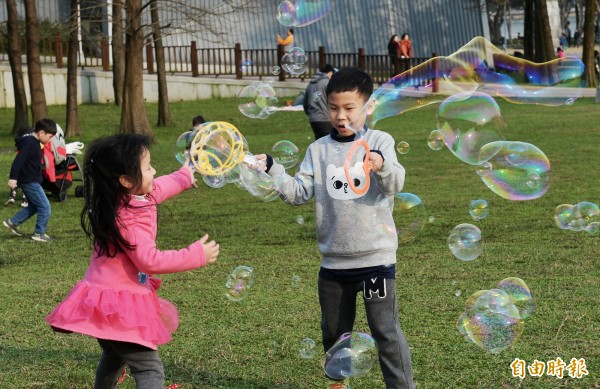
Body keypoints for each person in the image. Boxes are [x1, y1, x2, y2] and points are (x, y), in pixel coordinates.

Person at [256, 67, 414, 389]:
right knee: (333, 334)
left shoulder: (379, 141)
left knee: (385, 332)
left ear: (368, 107)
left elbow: (395, 183)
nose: (340, 116)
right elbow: (299, 192)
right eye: (333, 108)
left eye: (349, 108)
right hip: (333, 264)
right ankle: (337, 384)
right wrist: (273, 169)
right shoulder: (318, 150)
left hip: (376, 262)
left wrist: (380, 164)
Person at [45, 134, 220, 388]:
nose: (154, 171)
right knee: (149, 369)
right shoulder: (128, 219)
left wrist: (184, 176)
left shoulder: (130, 196)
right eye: (148, 167)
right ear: (126, 180)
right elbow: (149, 261)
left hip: (102, 303)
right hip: (120, 307)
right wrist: (195, 255)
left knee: (114, 356)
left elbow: (160, 186)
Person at [3, 119, 57, 242]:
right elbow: (18, 161)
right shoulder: (30, 143)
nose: (50, 139)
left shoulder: (33, 141)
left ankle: (13, 222)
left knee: (35, 205)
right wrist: (12, 178)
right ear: (41, 133)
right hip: (29, 181)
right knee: (45, 207)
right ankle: (39, 233)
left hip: (30, 180)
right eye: (50, 136)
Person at [303, 64, 336, 139]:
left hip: (313, 119)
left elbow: (305, 103)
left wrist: (310, 113)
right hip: (326, 119)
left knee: (319, 144)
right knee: (329, 144)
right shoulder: (327, 83)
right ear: (330, 72)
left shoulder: (310, 84)